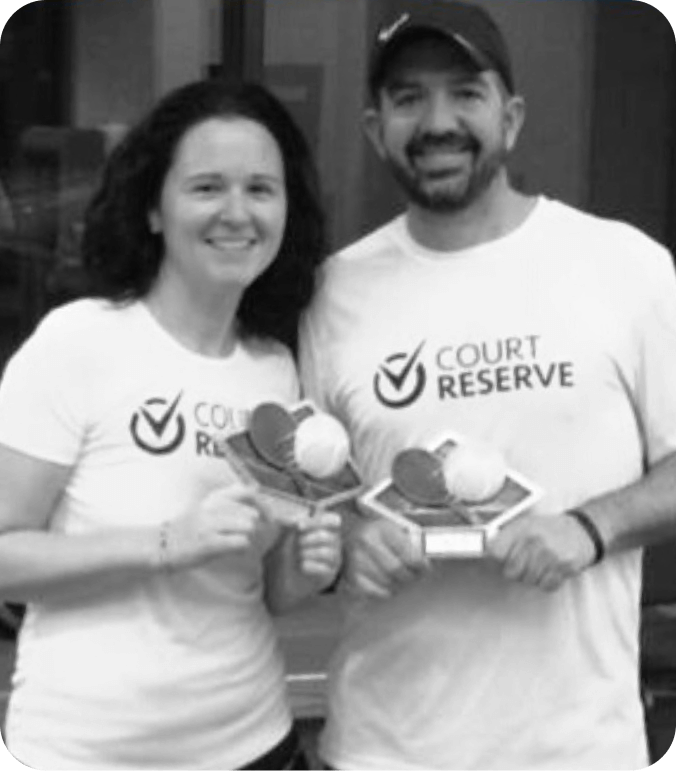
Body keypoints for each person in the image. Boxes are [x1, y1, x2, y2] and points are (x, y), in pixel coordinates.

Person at [299, 2, 676, 770]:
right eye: (409, 99)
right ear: (375, 129)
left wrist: (589, 527)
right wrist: (345, 545)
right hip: (383, 747)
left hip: (579, 749)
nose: (438, 121)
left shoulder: (626, 266)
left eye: (465, 93)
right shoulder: (331, 293)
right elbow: (307, 499)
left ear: (512, 116)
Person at [0, 78, 342, 771]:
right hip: (86, 752)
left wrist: (309, 569)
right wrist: (165, 540)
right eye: (207, 187)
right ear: (154, 209)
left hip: (255, 743)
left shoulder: (276, 368)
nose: (237, 213)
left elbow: (268, 587)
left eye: (261, 189)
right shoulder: (80, 342)